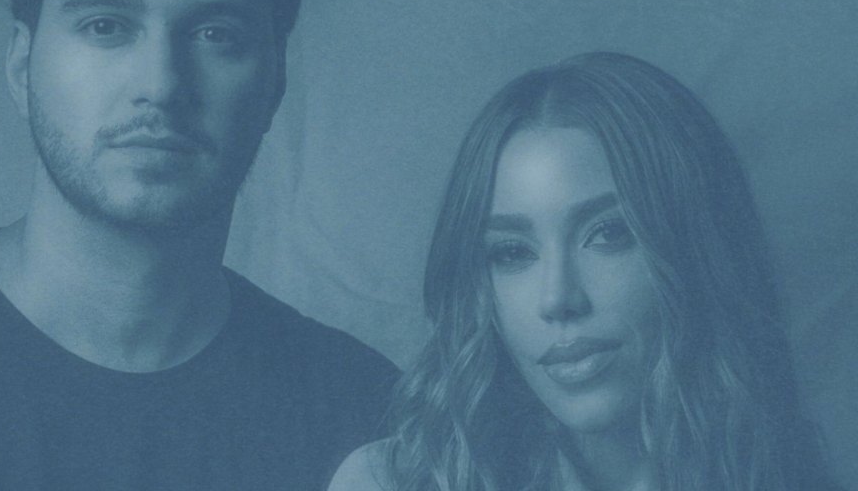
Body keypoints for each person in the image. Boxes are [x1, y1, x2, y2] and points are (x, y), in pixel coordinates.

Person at [0, 0, 398, 489]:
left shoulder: (372, 424)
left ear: (276, 83)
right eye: (106, 26)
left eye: (215, 34)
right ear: (21, 67)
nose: (161, 85)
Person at [329, 52, 844, 491]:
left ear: (696, 251)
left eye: (609, 234)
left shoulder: (789, 474)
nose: (557, 298)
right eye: (511, 253)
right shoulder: (388, 483)